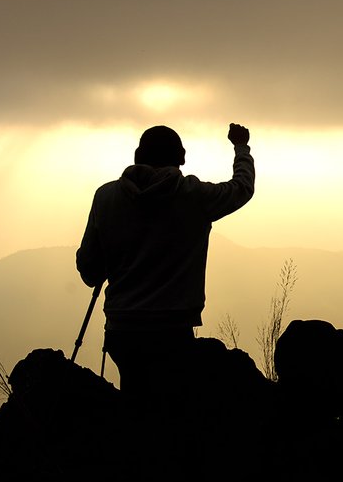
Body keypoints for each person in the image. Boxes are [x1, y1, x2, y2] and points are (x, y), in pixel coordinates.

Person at [75, 123, 255, 397]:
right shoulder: (194, 196)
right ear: (181, 158)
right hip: (173, 331)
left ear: (138, 155)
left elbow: (89, 271)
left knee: (135, 402)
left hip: (122, 330)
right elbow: (241, 188)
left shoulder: (106, 197)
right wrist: (241, 147)